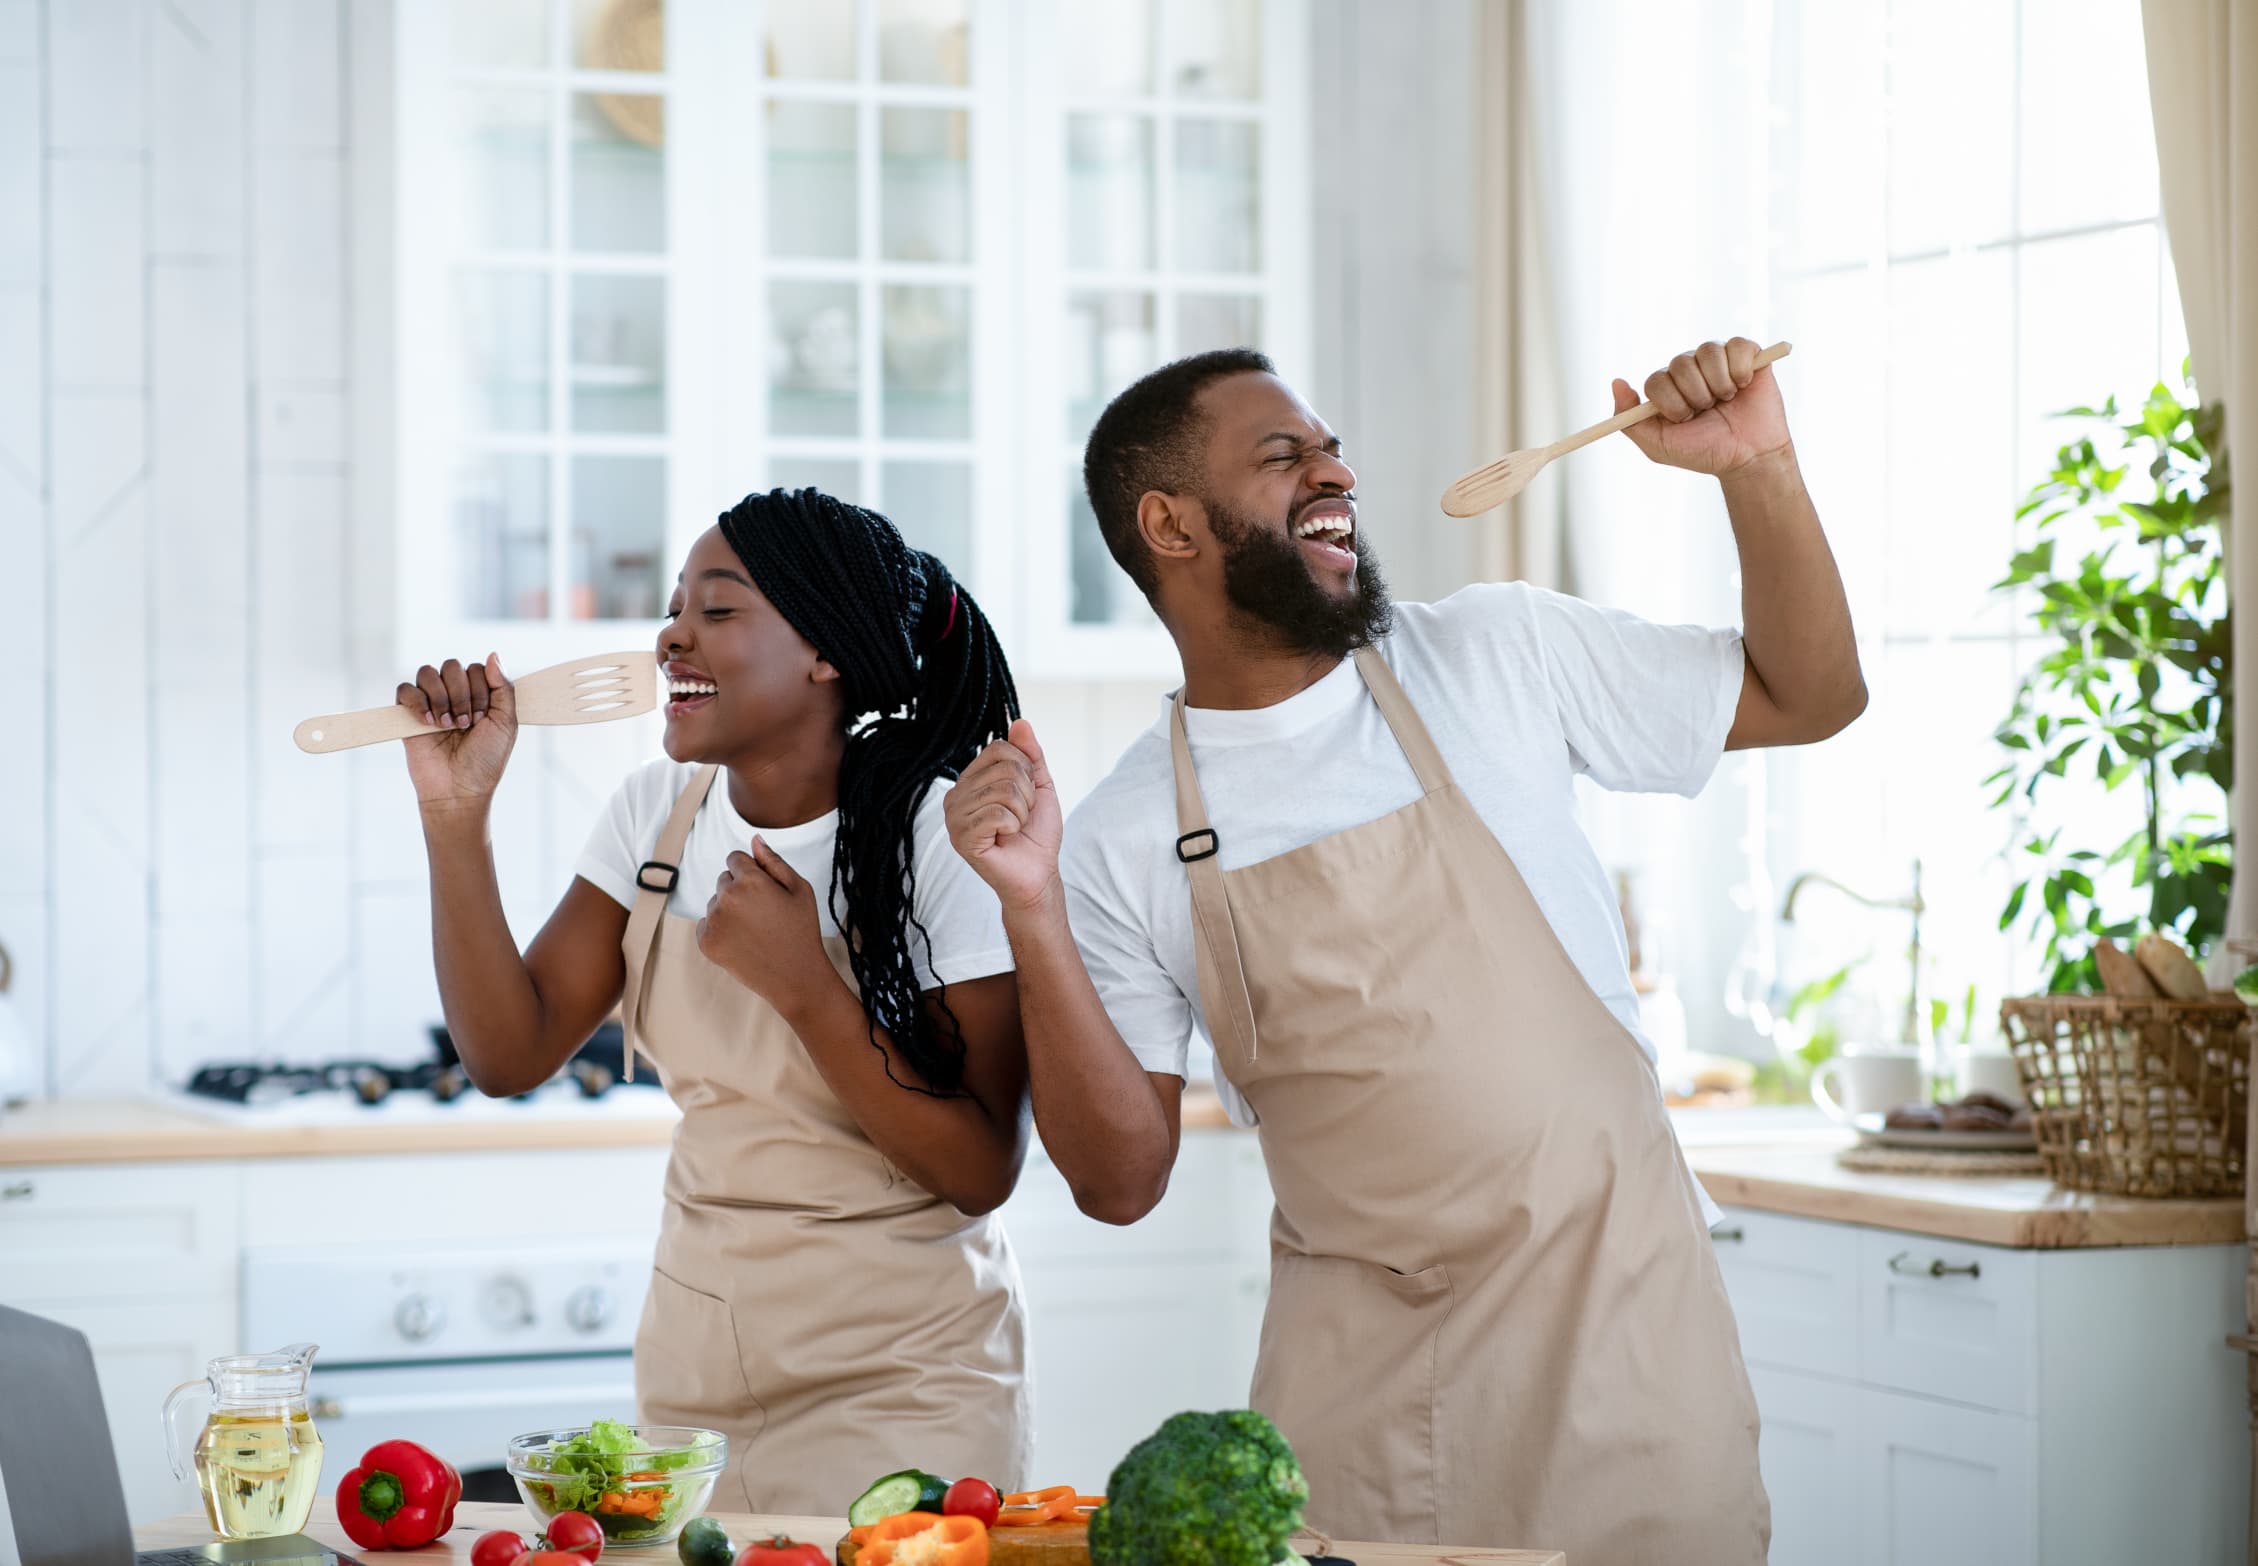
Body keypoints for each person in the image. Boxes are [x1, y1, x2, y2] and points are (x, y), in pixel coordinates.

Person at [945, 339, 1865, 1562]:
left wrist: (1757, 469)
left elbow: (1811, 696)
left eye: (1329, 446)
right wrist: (1026, 908)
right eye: (1285, 456)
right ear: (1167, 523)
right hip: (1366, 1410)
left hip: (1629, 1354)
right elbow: (1117, 1183)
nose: (1336, 472)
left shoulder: (1494, 654)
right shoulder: (1120, 834)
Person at [397, 489, 1032, 1514]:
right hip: (696, 1380)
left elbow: (979, 1166)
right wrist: (454, 816)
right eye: (674, 605)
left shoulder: (941, 837)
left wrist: (807, 988)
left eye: (717, 609)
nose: (668, 635)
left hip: (906, 1384)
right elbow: (506, 1056)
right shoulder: (658, 815)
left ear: (825, 651)